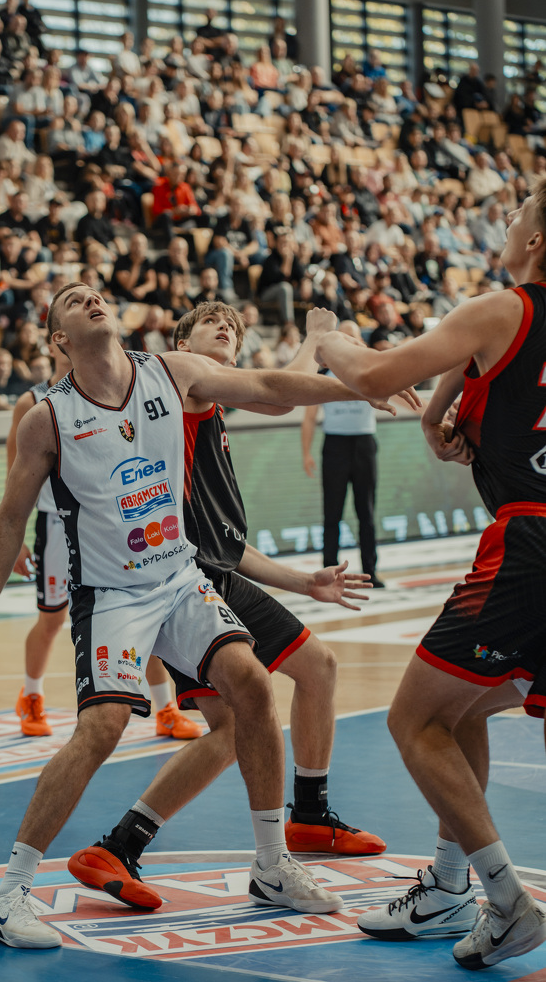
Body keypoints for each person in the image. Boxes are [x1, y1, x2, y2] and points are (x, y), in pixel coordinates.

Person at [0, 287, 411, 948]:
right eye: (74, 301)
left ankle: (271, 864)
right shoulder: (46, 418)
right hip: (110, 595)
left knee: (250, 685)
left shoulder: (170, 372)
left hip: (179, 577)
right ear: (58, 339)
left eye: (95, 294)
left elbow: (268, 384)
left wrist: (357, 387)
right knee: (102, 728)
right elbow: (7, 518)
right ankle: (8, 894)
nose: (91, 299)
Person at [69, 302, 388, 907]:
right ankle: (122, 845)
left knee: (316, 669)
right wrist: (318, 341)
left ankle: (309, 814)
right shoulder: (180, 387)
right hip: (182, 584)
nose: (225, 330)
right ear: (182, 343)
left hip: (217, 571)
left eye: (234, 329)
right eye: (210, 324)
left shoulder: (211, 412)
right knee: (235, 726)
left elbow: (230, 544)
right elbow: (279, 393)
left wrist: (303, 582)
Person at [310, 185, 546, 969]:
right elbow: (482, 384)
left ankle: (507, 902)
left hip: (528, 542)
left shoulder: (502, 308)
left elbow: (375, 376)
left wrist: (331, 339)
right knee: (461, 709)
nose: (505, 223)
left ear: (535, 240)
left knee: (413, 721)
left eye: (516, 214)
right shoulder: (501, 323)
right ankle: (447, 889)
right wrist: (437, 410)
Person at [8, 339, 202, 740]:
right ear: (56, 341)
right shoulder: (34, 402)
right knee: (51, 618)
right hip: (55, 523)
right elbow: (15, 477)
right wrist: (18, 539)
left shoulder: (113, 389)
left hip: (108, 522)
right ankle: (31, 696)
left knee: (144, 602)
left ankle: (165, 707)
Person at [302, 321, 384, 588]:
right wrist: (306, 453)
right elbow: (310, 417)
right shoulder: (323, 377)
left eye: (353, 338)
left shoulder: (371, 373)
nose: (348, 343)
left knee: (366, 512)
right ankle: (329, 571)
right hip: (335, 445)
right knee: (332, 513)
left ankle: (371, 571)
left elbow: (399, 392)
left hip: (364, 444)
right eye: (343, 338)